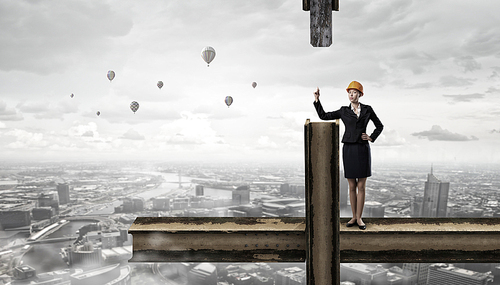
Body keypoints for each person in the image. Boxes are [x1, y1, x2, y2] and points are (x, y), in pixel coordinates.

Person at [313, 81, 383, 230]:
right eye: (349, 92)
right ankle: (353, 217)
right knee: (352, 186)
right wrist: (317, 100)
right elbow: (324, 116)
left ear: (360, 94)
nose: (351, 95)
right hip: (349, 149)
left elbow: (379, 125)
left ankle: (359, 218)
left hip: (363, 149)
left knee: (361, 186)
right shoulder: (344, 110)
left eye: (354, 92)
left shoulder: (368, 109)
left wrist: (371, 137)